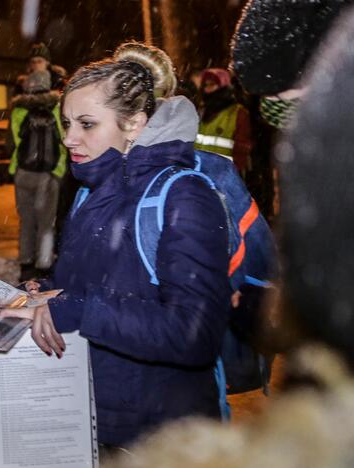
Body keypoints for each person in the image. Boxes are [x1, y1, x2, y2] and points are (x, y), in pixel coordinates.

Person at [102, 5, 354, 466]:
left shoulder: (203, 175)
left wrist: (254, 303)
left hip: (178, 380)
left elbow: (253, 263)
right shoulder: (96, 180)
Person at [1, 42, 232, 451]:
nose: (69, 137)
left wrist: (78, 308)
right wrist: (45, 291)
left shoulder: (184, 195)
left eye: (86, 124)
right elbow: (97, 281)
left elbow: (193, 334)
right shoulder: (89, 192)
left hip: (162, 440)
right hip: (95, 424)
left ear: (135, 124)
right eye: (66, 122)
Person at [6, 69, 68, 281]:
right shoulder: (57, 108)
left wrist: (16, 169)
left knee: (26, 222)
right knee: (46, 224)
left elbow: (12, 144)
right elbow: (64, 142)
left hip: (23, 174)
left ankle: (26, 265)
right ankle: (44, 266)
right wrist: (57, 172)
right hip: (47, 176)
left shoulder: (18, 112)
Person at [194, 68, 253, 174]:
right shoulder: (201, 111)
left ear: (223, 86)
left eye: (212, 84)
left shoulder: (238, 113)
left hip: (223, 176)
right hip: (199, 173)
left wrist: (231, 174)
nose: (208, 89)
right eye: (205, 85)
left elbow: (242, 150)